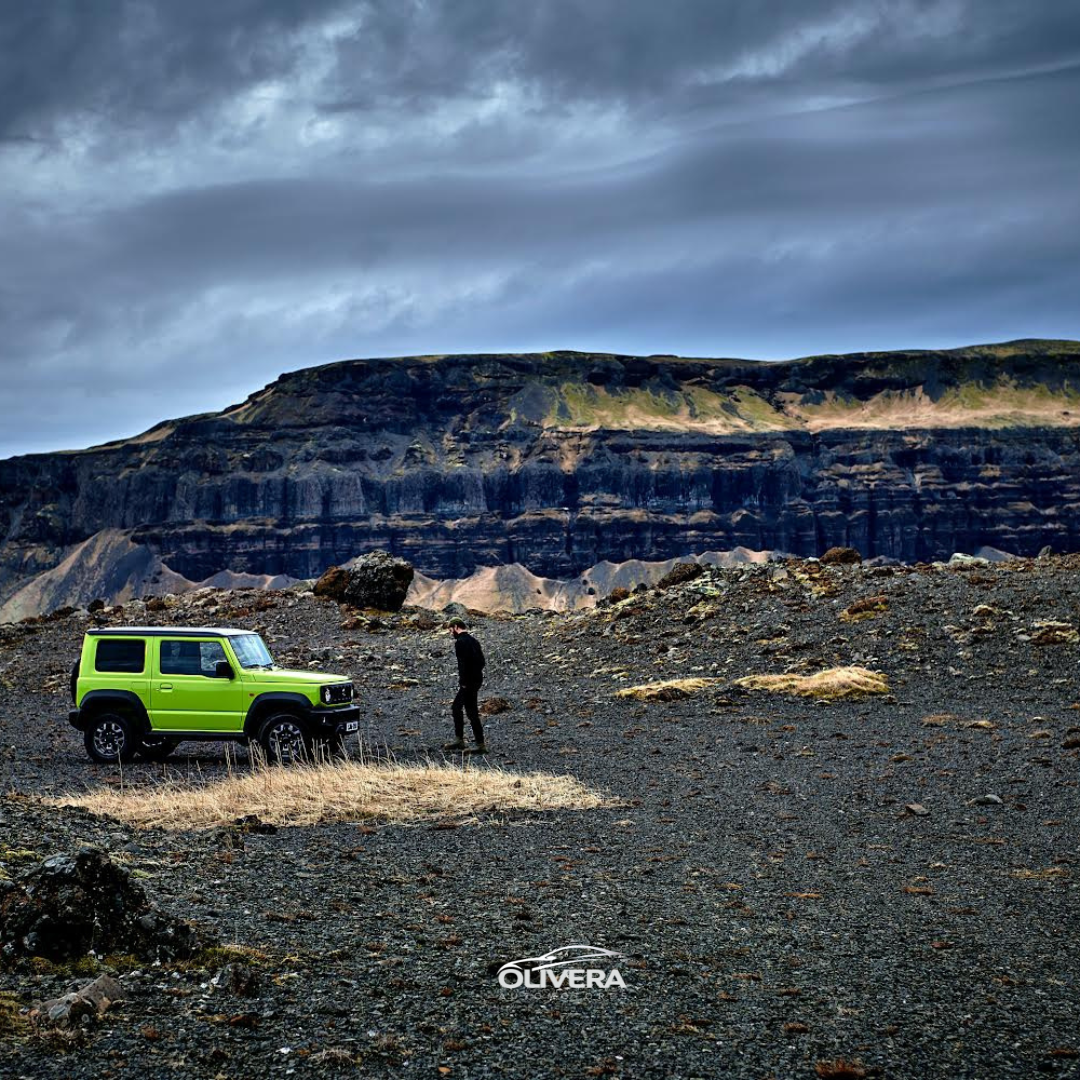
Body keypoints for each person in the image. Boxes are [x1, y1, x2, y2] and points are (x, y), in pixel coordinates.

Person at [443, 617, 487, 753]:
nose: (451, 633)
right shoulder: (474, 641)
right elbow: (482, 662)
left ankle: (462, 741)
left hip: (468, 682)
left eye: (451, 630)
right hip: (477, 680)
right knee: (471, 711)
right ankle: (478, 744)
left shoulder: (460, 642)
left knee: (458, 708)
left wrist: (464, 682)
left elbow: (463, 664)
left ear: (456, 627)